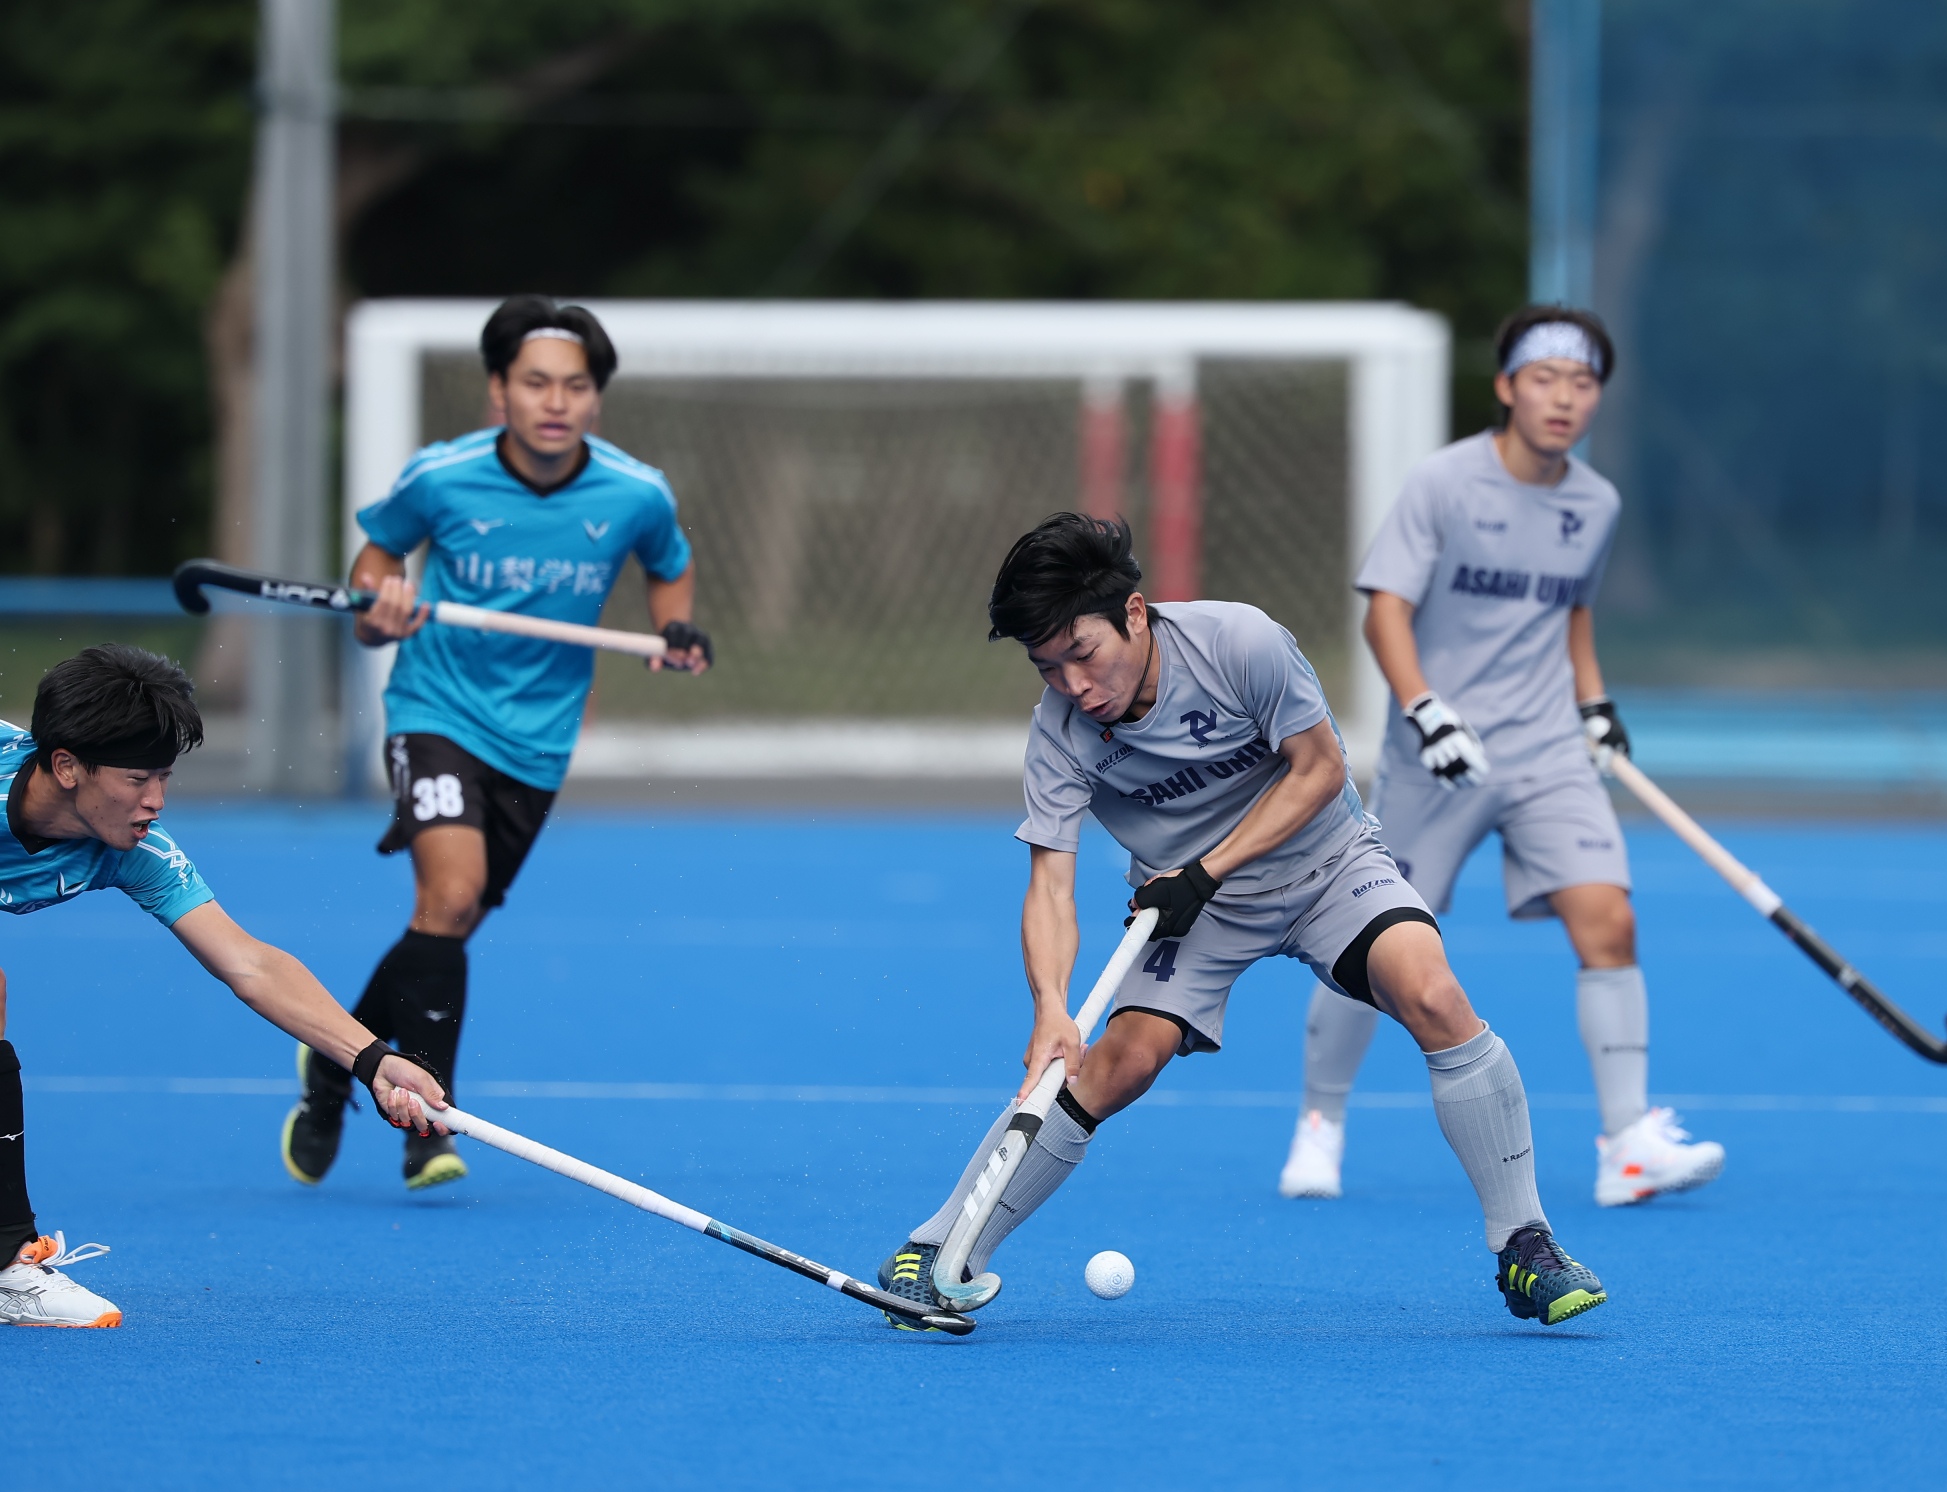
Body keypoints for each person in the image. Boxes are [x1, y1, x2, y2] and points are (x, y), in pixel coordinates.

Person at [874, 514, 1608, 1330]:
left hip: (1327, 867)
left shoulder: (1240, 644)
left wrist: (1205, 870)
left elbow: (1320, 769)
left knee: (1432, 992)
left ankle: (1525, 1245)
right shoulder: (1060, 734)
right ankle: (940, 1249)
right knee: (1115, 1065)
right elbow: (1050, 885)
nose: (1074, 685)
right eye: (1047, 668)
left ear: (1135, 614)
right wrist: (1051, 1007)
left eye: (1082, 654)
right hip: (1191, 913)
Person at [1275, 305, 1723, 1210]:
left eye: (1583, 383)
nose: (1564, 398)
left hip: (1547, 748)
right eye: (1545, 378)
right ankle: (1320, 1122)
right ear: (1507, 387)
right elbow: (1385, 612)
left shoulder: (1595, 503)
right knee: (1371, 943)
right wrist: (1425, 710)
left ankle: (1627, 1143)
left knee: (1610, 921)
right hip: (1436, 757)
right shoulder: (1443, 483)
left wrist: (1594, 704)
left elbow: (1570, 612)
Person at [279, 294, 711, 1192]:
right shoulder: (442, 478)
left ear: (596, 398)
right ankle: (429, 1124)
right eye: (536, 383)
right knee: (451, 892)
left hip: (540, 739)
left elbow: (669, 567)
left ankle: (334, 1057)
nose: (556, 402)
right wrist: (379, 607)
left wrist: (674, 629)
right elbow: (375, 566)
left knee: (451, 919)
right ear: (498, 392)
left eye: (575, 386)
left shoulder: (635, 492)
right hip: (435, 710)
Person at [1, 647, 449, 1327]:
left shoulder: (136, 850)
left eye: (164, 777)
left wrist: (372, 1060)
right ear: (66, 767)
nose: (156, 801)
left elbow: (250, 964)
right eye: (136, 779)